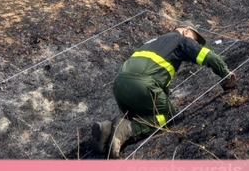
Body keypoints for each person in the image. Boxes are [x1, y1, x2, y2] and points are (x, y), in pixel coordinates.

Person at [92, 21, 236, 159]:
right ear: (186, 31)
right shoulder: (180, 39)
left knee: (143, 112)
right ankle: (126, 130)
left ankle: (107, 128)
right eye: (195, 38)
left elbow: (158, 82)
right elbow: (208, 56)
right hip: (142, 85)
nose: (195, 42)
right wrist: (226, 75)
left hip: (119, 85)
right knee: (168, 117)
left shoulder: (153, 42)